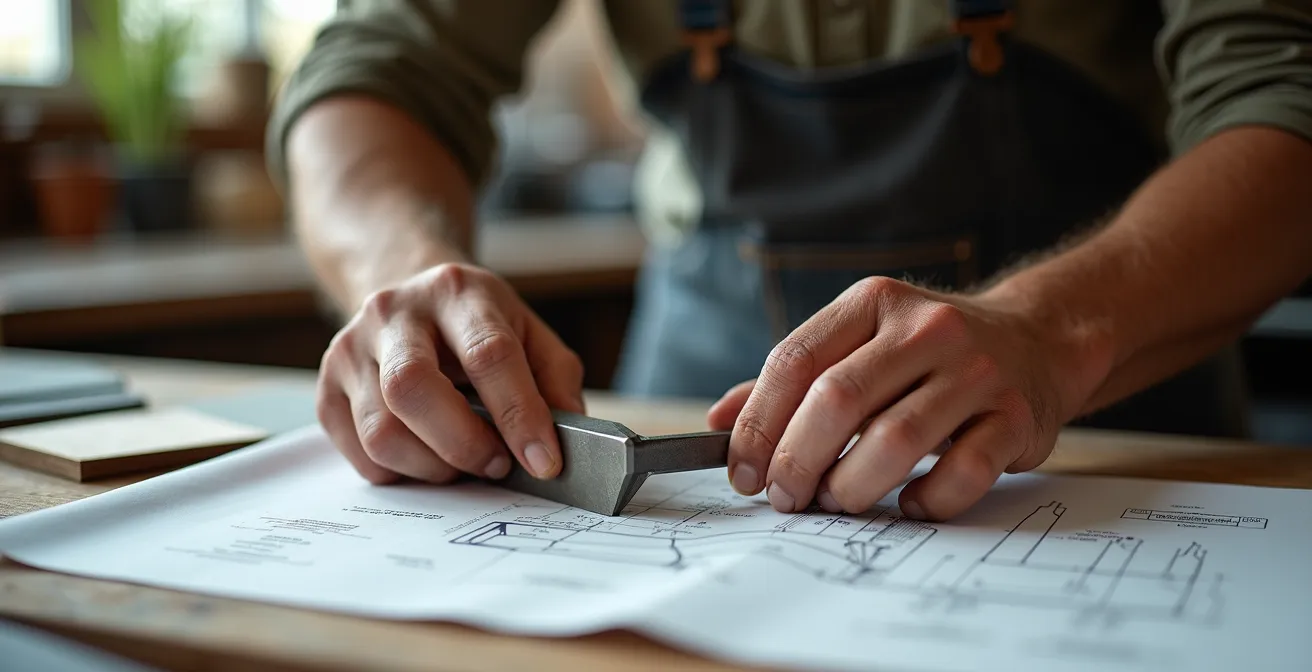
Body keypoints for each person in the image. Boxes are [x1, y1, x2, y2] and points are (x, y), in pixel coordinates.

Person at [268, 0, 1312, 521]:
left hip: (1108, 467)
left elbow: (1283, 97)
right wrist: (398, 273)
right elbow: (381, 67)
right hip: (678, 475)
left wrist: (1048, 333)